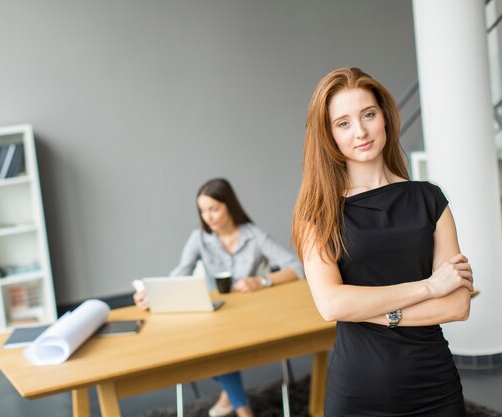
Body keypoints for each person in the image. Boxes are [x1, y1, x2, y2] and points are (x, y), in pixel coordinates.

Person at [291, 67, 474, 416]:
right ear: (328, 135)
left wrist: (365, 307)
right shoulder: (317, 212)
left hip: (433, 384)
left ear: (385, 118)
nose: (360, 131)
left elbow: (456, 306)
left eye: (368, 115)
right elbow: (332, 305)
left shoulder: (429, 199)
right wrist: (430, 287)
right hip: (360, 390)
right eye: (343, 123)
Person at [134, 177, 304, 417]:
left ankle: (236, 403)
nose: (208, 217)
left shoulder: (254, 236)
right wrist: (151, 295)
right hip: (216, 317)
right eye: (203, 211)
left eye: (214, 209)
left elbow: (297, 268)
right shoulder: (199, 239)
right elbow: (178, 275)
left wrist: (262, 281)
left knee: (222, 350)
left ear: (229, 206)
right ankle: (240, 405)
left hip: (250, 317)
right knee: (212, 349)